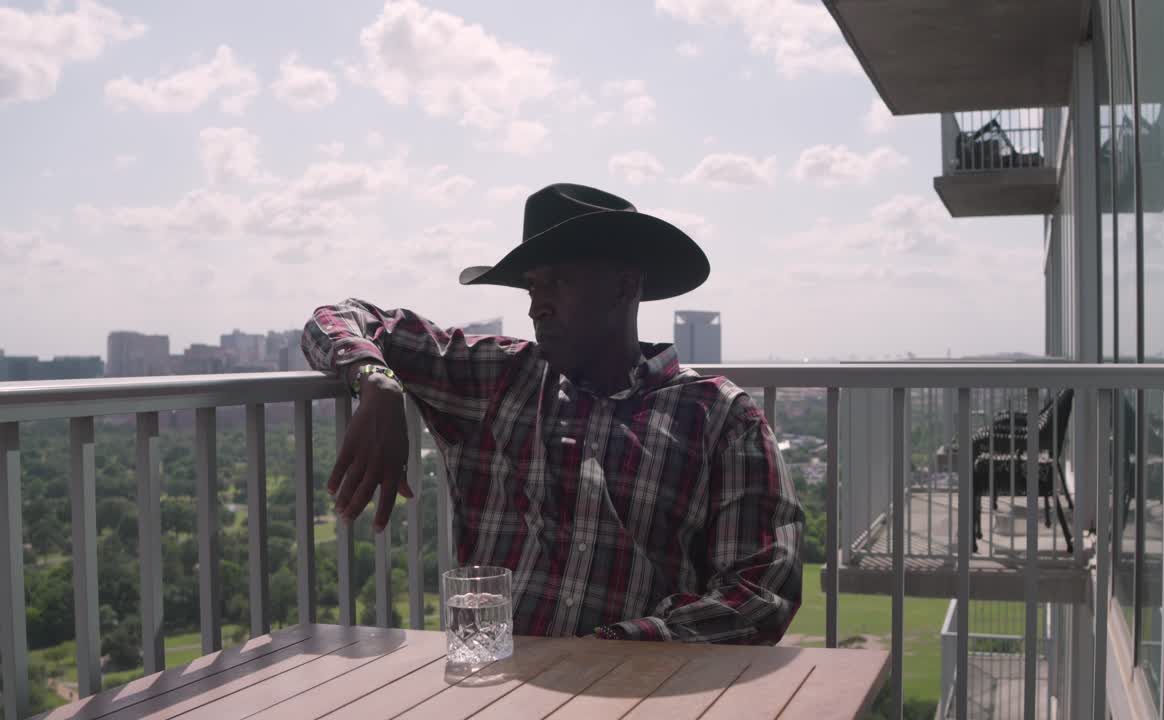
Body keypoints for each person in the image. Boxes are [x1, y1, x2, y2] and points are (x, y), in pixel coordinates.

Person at [301, 183, 802, 644]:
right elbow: (338, 318)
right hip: (498, 689)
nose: (536, 307)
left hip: (640, 694)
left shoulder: (719, 417)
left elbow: (761, 592)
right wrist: (377, 382)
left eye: (558, 282)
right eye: (531, 287)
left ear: (625, 288)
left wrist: (618, 648)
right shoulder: (498, 375)